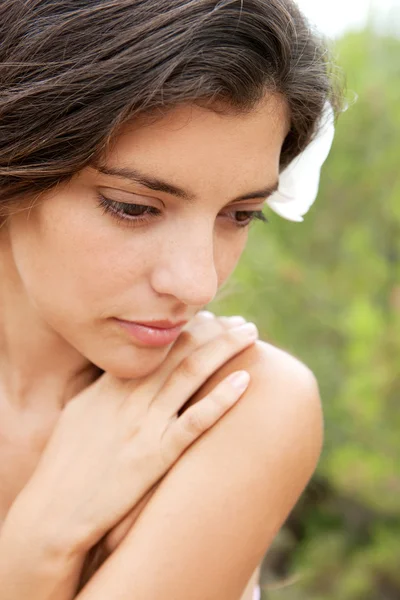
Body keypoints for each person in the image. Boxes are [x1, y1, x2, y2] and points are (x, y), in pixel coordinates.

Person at [0, 1, 341, 598]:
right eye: (133, 207)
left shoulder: (239, 405)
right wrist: (45, 538)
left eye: (241, 214)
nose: (198, 283)